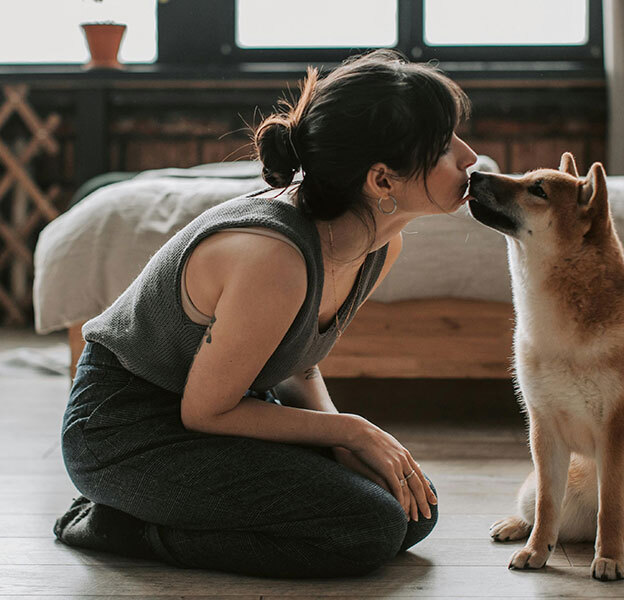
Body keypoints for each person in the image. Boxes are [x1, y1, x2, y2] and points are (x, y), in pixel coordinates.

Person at [54, 49, 478, 578]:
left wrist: (341, 438)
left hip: (224, 409)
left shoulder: (378, 245)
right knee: (368, 528)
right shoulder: (272, 257)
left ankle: (167, 510)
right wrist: (351, 432)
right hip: (126, 430)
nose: (470, 157)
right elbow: (205, 413)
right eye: (444, 146)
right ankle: (120, 524)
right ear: (382, 181)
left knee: (414, 511)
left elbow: (298, 359)